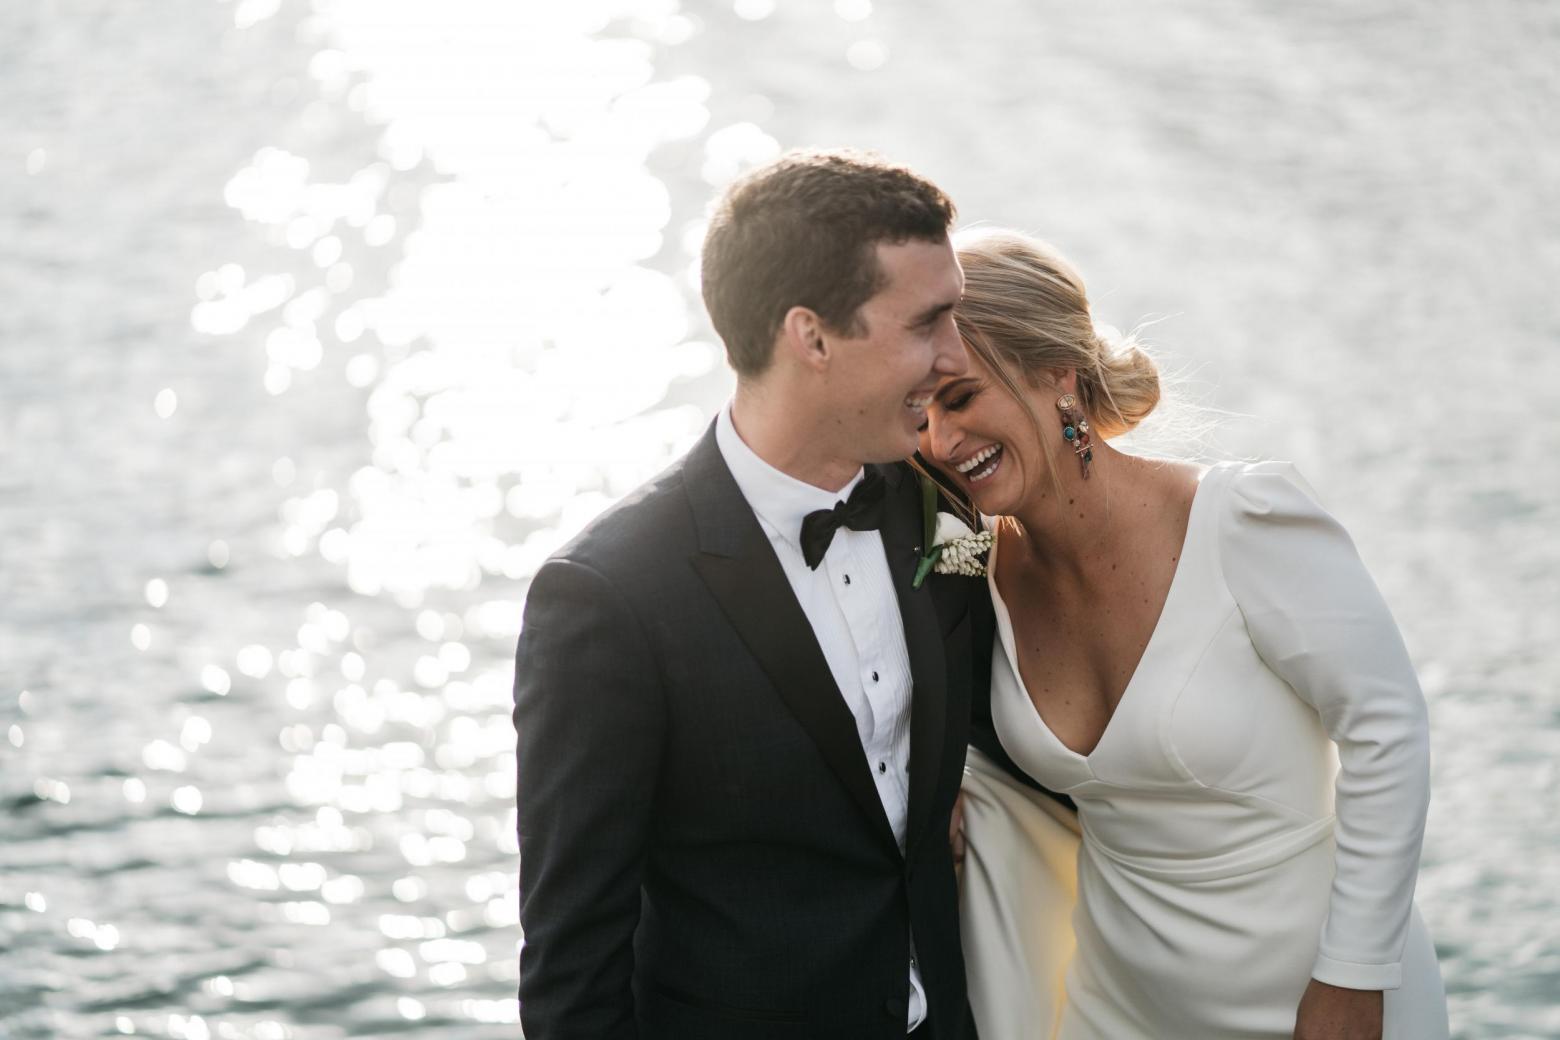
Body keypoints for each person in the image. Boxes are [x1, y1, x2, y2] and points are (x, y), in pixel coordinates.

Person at [919, 229, 1449, 1040]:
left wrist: (1354, 978)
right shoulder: (978, 574)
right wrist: (938, 783)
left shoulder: (1243, 522)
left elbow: (1388, 731)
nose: (938, 444)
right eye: (916, 414)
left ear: (1056, 373)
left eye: (958, 400)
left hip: (1325, 997)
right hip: (1116, 1006)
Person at [514, 149, 995, 1039]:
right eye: (927, 323)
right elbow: (571, 965)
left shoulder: (937, 510)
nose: (956, 356)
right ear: (810, 336)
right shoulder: (607, 599)